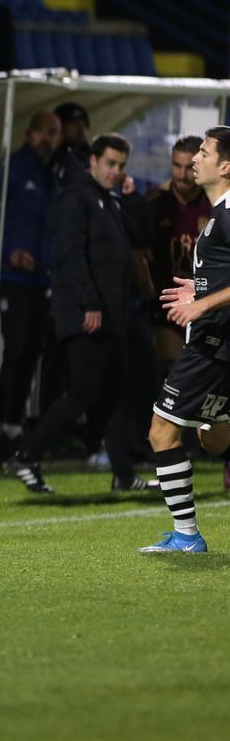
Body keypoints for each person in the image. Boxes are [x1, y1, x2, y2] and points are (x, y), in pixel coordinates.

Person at [4, 133, 150, 493]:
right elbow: (70, 257)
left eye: (121, 166)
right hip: (89, 315)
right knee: (83, 393)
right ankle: (27, 453)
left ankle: (123, 473)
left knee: (115, 393)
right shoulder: (76, 199)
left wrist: (130, 197)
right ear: (93, 162)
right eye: (111, 164)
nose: (116, 172)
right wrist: (90, 304)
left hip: (112, 316)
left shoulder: (108, 201)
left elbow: (140, 236)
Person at [142, 127, 230, 552]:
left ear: (226, 166)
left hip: (211, 345)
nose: (196, 158)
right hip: (220, 344)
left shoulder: (229, 213)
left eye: (205, 152)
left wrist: (201, 307)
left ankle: (187, 536)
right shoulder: (220, 213)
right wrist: (200, 290)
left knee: (162, 432)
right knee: (214, 438)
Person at [0, 111, 59, 442]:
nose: (50, 139)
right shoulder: (8, 170)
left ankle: (18, 423)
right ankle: (5, 424)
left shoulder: (56, 174)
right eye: (45, 132)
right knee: (16, 348)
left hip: (44, 279)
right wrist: (9, 252)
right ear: (30, 133)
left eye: (55, 133)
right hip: (13, 277)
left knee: (35, 351)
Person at [146, 136, 211, 369]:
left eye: (188, 167)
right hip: (165, 308)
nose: (182, 175)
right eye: (176, 166)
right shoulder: (155, 204)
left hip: (205, 308)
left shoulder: (215, 205)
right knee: (170, 373)